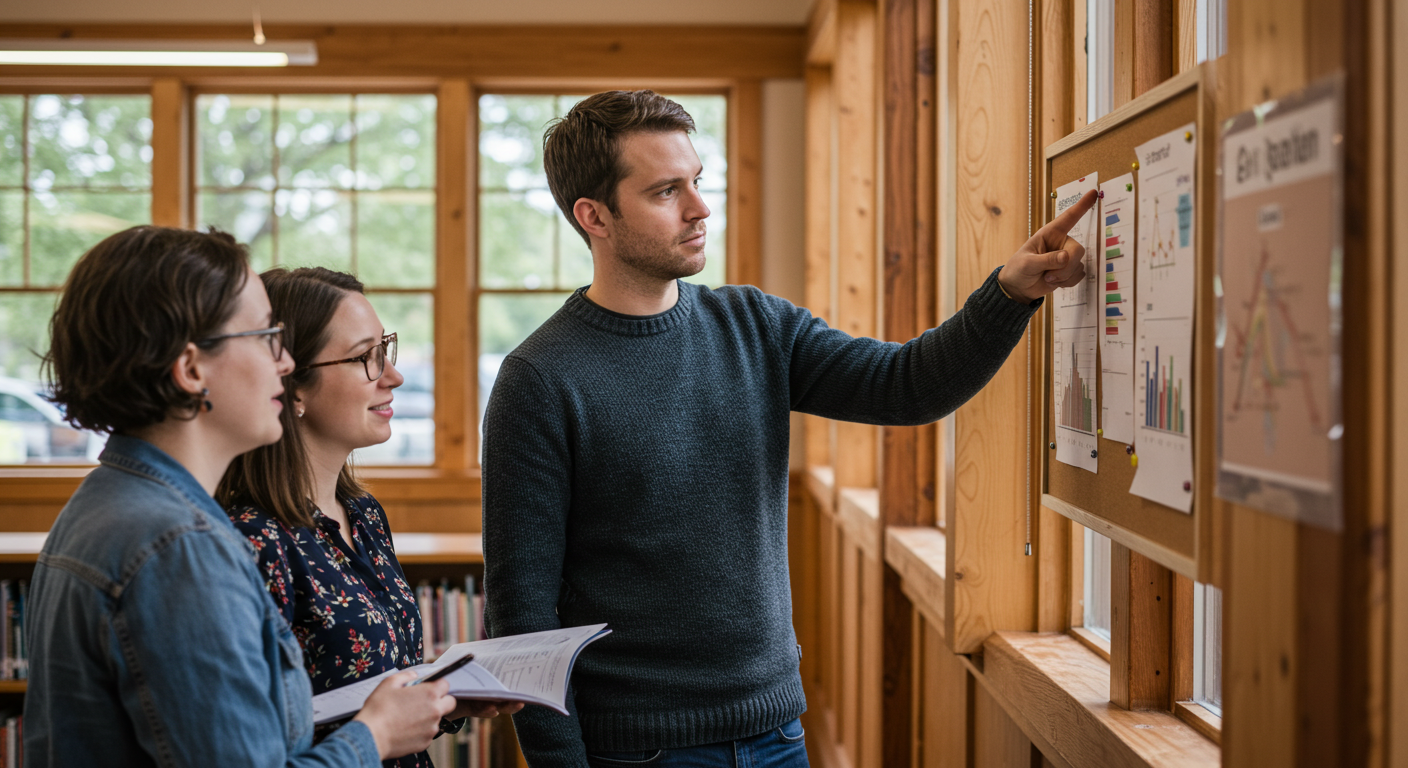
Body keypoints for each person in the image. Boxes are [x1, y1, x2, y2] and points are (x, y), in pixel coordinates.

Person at [481, 90, 1095, 767]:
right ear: (594, 216)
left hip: (776, 733)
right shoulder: (538, 380)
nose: (699, 208)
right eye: (665, 192)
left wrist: (1008, 292)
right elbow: (521, 623)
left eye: (697, 182)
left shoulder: (755, 326)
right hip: (640, 750)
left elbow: (909, 386)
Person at [24, 227, 456, 768]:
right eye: (262, 338)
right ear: (190, 369)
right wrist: (375, 735)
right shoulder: (178, 548)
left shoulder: (111, 500)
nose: (283, 363)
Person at [218, 267, 523, 768]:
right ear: (291, 384)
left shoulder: (363, 515)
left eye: (386, 349)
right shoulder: (251, 541)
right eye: (366, 357)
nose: (394, 375)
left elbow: (368, 685)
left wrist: (442, 696)